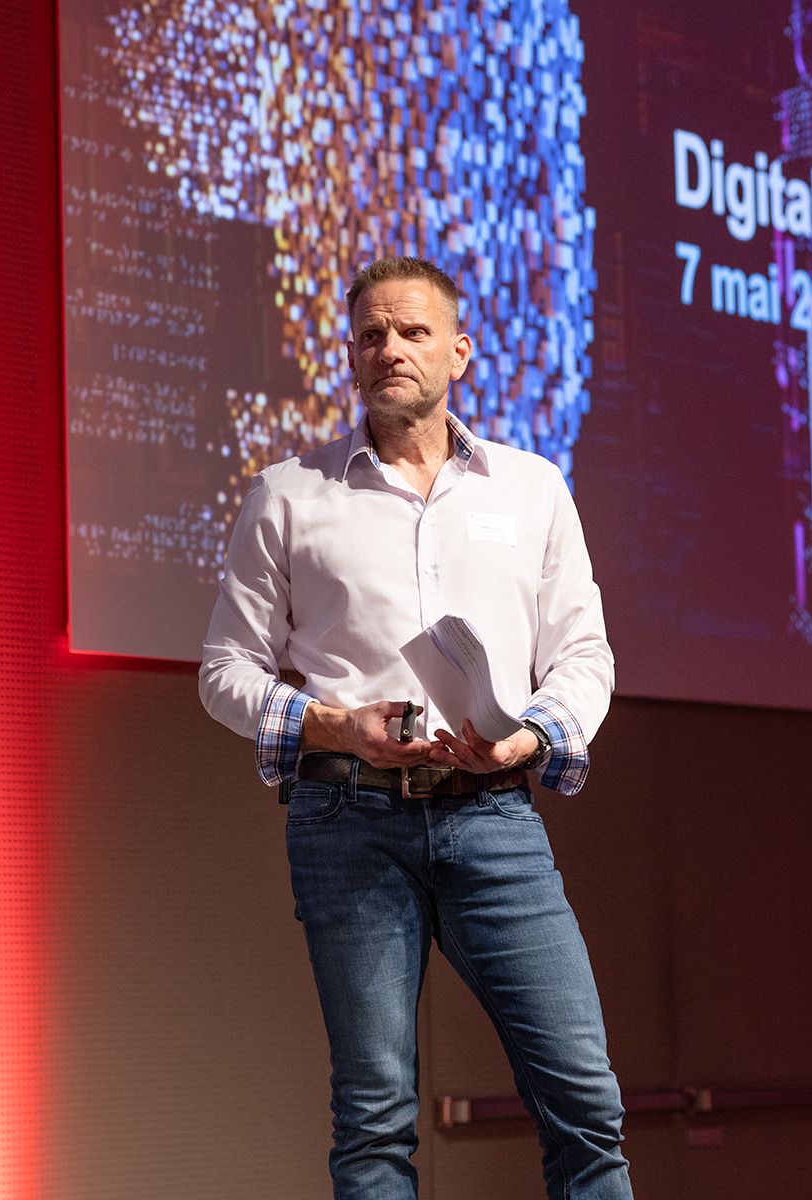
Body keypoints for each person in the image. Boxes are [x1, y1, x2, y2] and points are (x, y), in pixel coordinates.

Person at [200, 256, 632, 1199]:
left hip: (494, 817)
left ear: (461, 353)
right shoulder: (287, 495)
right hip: (348, 821)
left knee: (585, 1103)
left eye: (412, 332)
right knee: (375, 1121)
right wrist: (332, 724)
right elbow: (224, 673)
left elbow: (586, 654)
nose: (388, 349)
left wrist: (531, 737)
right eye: (370, 335)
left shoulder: (531, 490)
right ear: (351, 357)